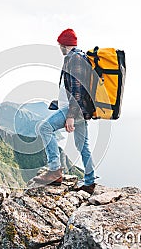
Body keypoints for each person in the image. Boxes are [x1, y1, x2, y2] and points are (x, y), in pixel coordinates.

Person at [33, 28, 96, 194]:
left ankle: (55, 171)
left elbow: (78, 91)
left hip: (74, 110)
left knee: (44, 128)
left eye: (59, 43)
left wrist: (70, 116)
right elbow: (70, 89)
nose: (58, 46)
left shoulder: (74, 59)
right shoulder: (77, 58)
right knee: (83, 146)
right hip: (79, 110)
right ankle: (90, 182)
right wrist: (57, 103)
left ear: (64, 43)